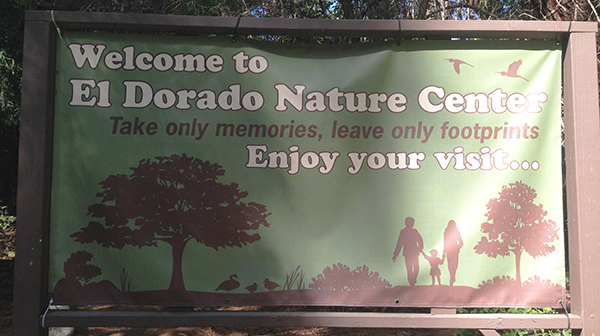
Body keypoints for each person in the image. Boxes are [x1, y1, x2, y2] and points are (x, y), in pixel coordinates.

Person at [392, 217, 424, 286]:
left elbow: (420, 240)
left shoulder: (415, 231)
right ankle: (411, 281)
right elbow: (399, 243)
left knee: (416, 267)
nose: (412, 224)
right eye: (411, 222)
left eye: (413, 222)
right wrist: (395, 254)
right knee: (409, 268)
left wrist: (420, 248)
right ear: (406, 223)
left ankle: (413, 279)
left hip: (414, 252)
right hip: (407, 253)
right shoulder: (403, 232)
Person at [443, 220, 463, 286]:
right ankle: (452, 276)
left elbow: (461, 242)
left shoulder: (456, 233)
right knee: (450, 264)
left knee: (455, 264)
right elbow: (445, 243)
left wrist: (457, 248)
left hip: (454, 250)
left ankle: (452, 275)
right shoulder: (446, 232)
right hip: (449, 250)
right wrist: (444, 251)